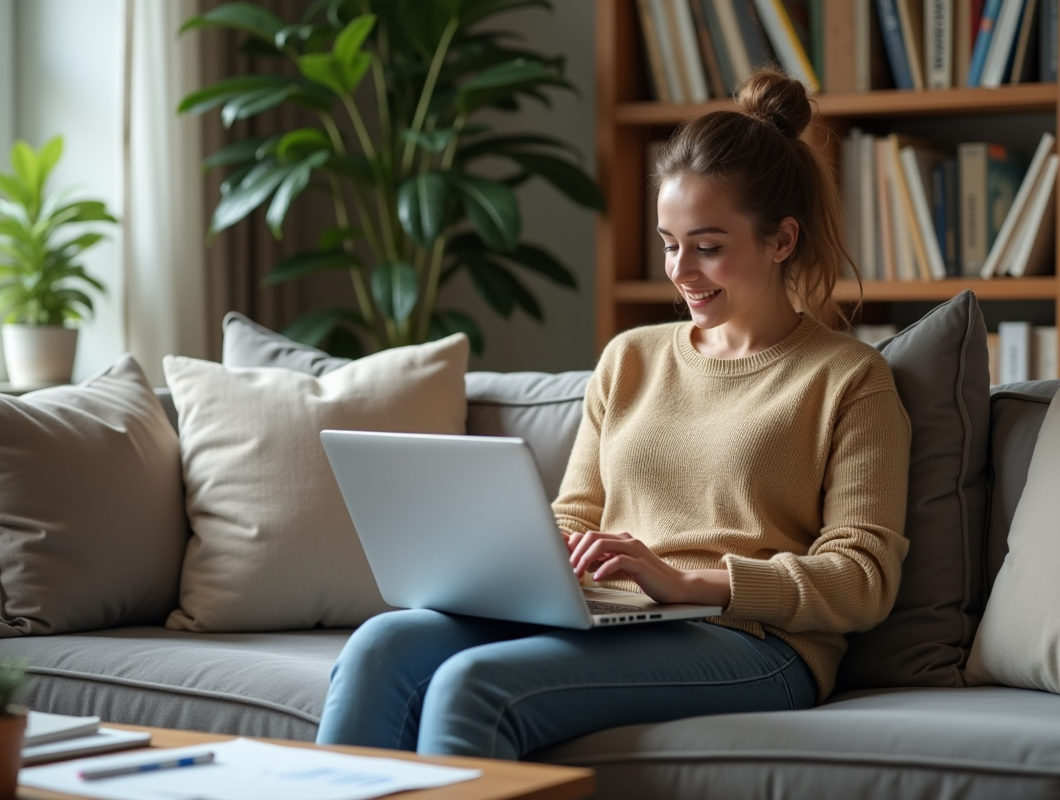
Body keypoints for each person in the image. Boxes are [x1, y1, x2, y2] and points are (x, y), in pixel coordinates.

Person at [314, 69, 911, 760]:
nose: (680, 270)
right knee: (382, 645)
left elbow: (863, 579)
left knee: (474, 685)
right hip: (614, 618)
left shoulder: (848, 379)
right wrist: (542, 565)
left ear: (781, 240)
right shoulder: (630, 358)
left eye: (708, 247)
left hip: (757, 644)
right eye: (668, 243)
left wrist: (690, 583)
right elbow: (576, 513)